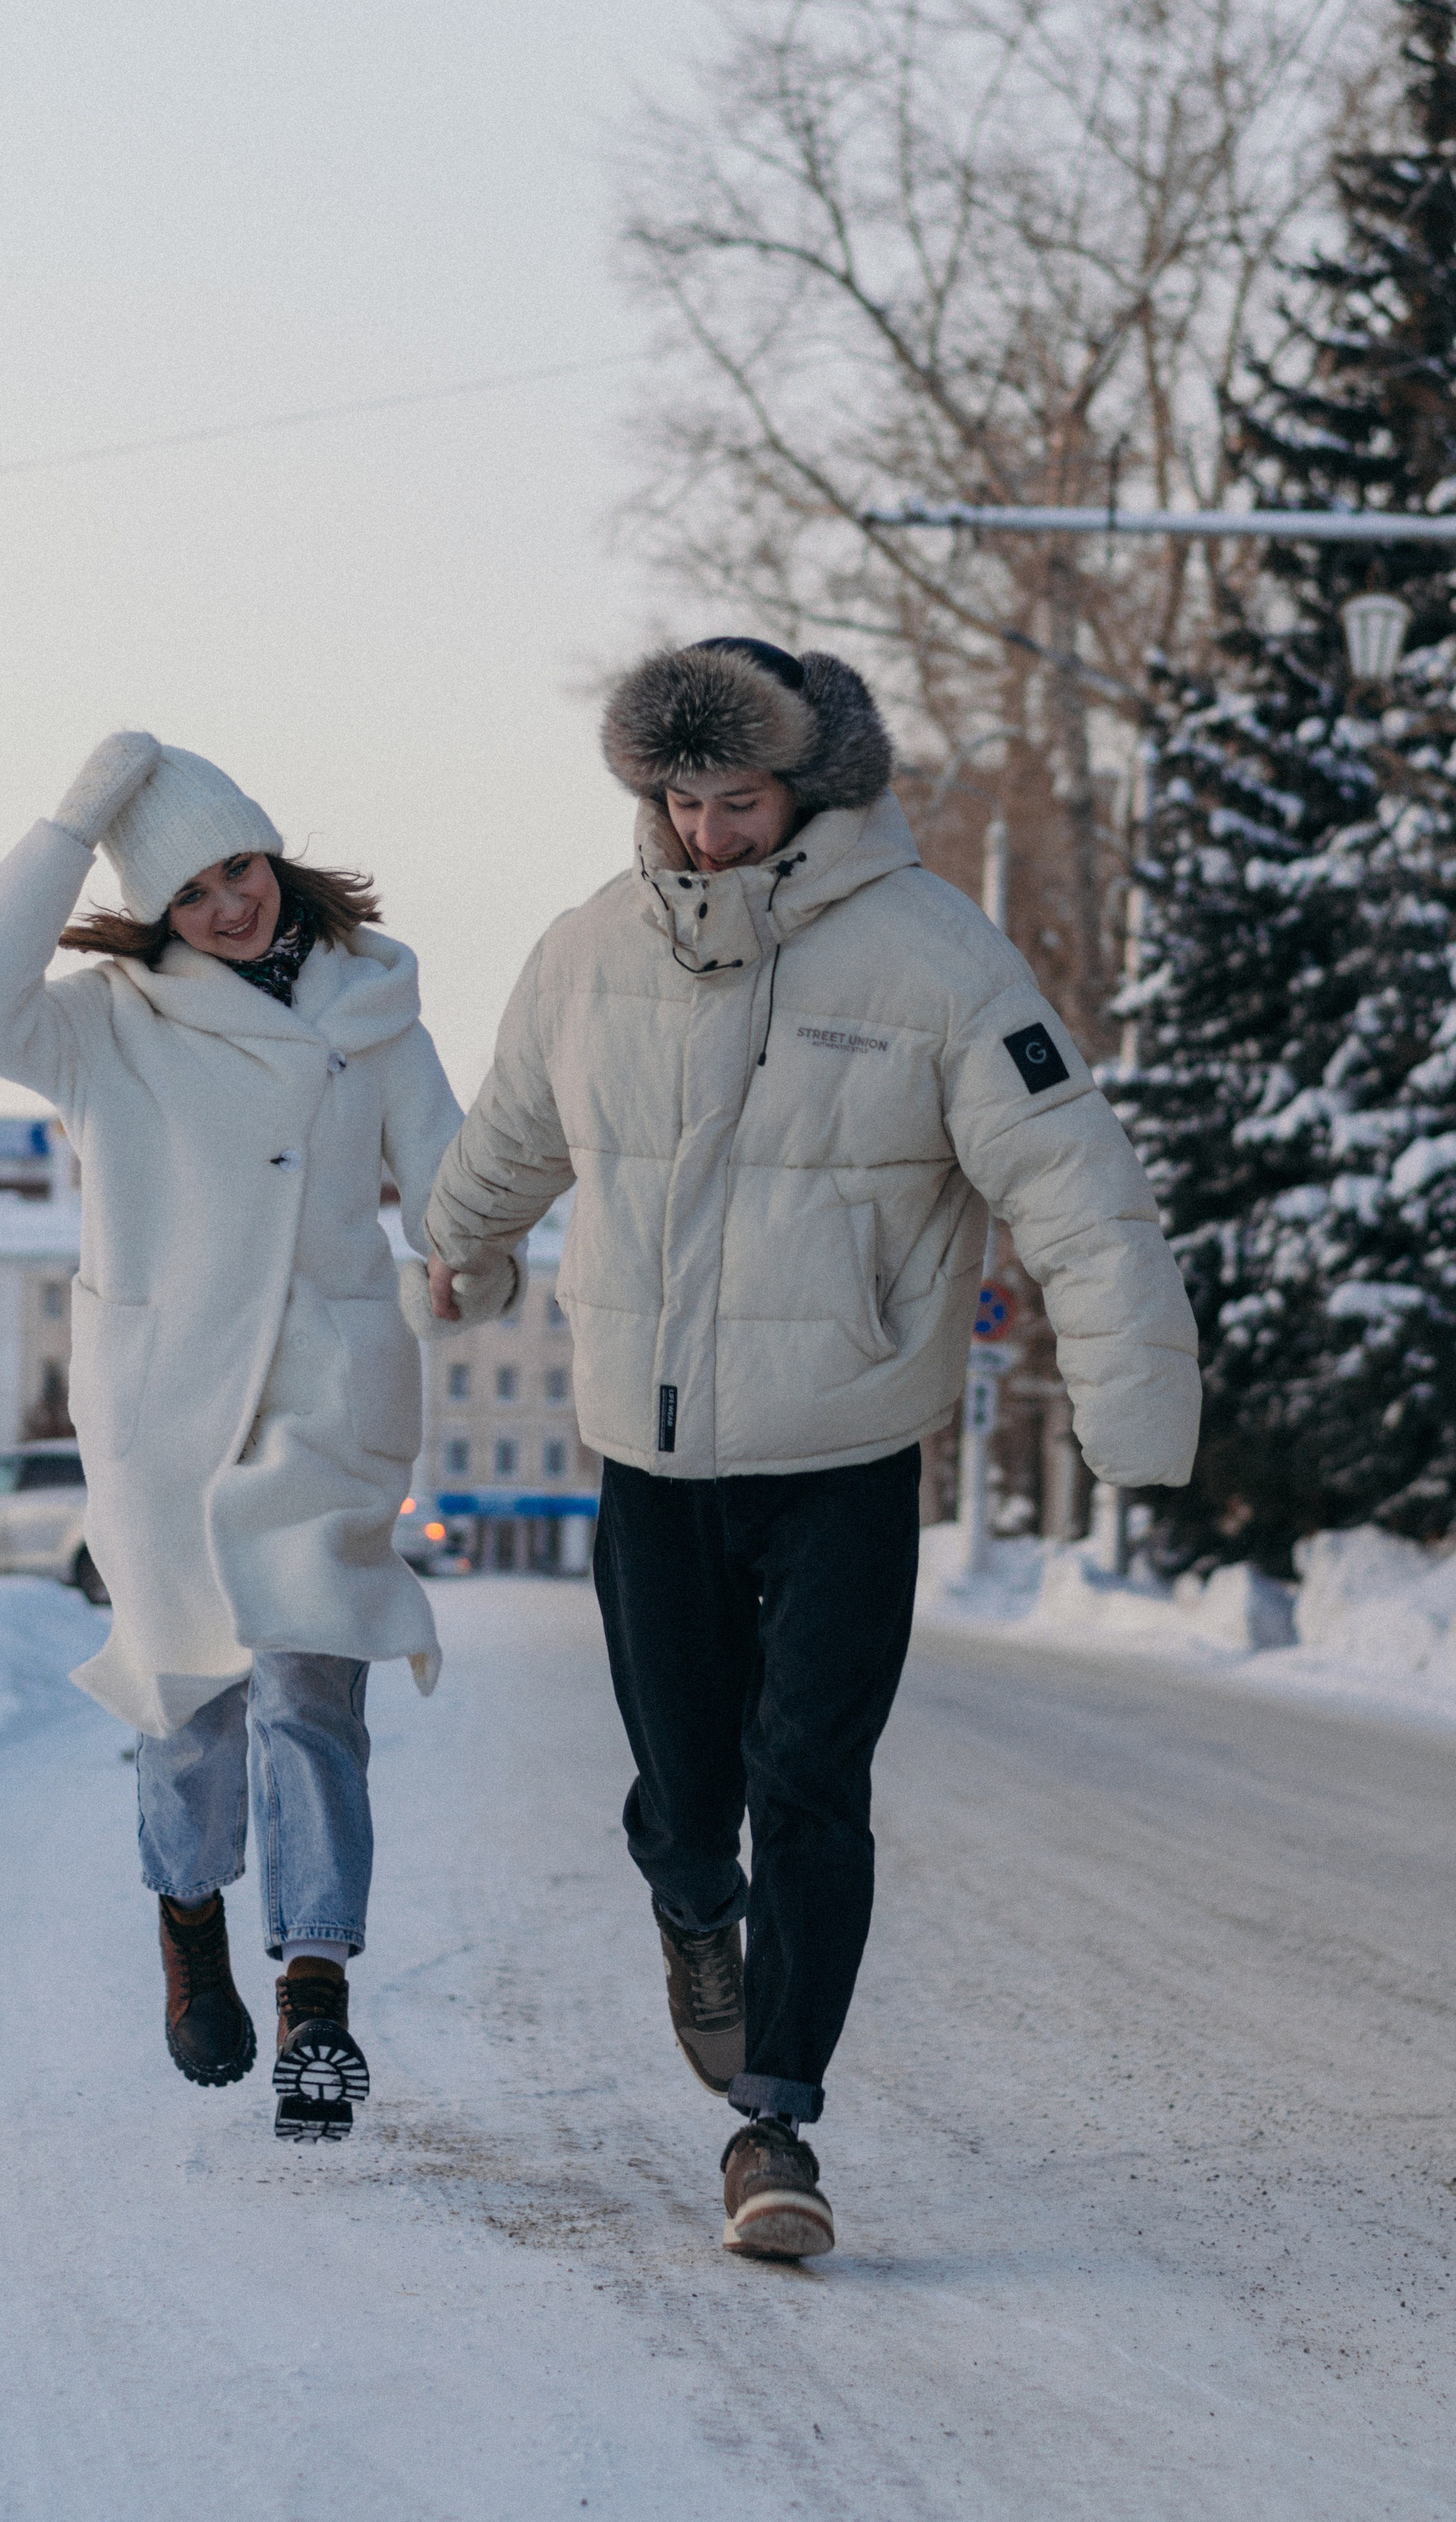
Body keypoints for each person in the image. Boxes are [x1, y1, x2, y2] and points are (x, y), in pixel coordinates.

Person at [424, 637, 1200, 2256]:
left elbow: (1067, 1173)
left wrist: (1132, 1392)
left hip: (845, 1452)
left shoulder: (931, 956)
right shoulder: (586, 952)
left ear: (816, 788)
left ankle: (774, 2125)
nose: (708, 832)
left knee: (810, 1782)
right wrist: (463, 1247)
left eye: (740, 797)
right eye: (682, 799)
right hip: (647, 1460)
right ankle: (692, 1907)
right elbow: (509, 1128)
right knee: (690, 1798)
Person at [0, 732, 508, 2138]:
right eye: (189, 890)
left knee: (314, 1689)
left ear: (277, 858)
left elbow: (448, 1179)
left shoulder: (374, 1007)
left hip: (326, 1389)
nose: (227, 905)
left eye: (239, 868)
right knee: (191, 1703)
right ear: (155, 908)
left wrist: (465, 1264)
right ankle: (189, 1919)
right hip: (163, 1407)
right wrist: (73, 816)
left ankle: (317, 1994)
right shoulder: (101, 1025)